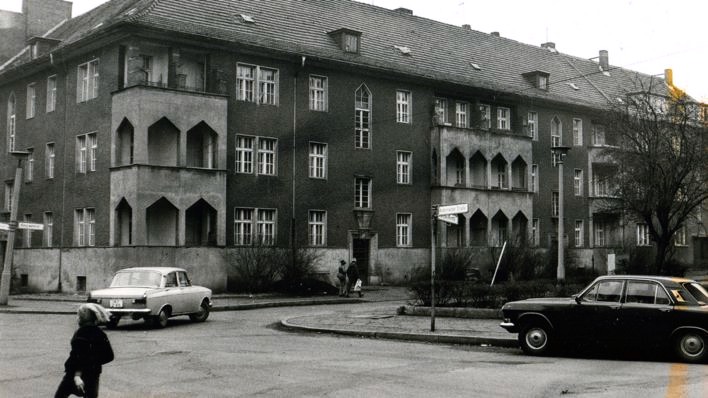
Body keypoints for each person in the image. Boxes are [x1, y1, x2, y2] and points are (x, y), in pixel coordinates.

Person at [55, 303, 114, 398]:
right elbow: (109, 356)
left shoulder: (80, 333)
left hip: (74, 375)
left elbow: (79, 356)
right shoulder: (100, 334)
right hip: (93, 374)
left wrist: (77, 376)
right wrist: (94, 362)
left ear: (81, 318)